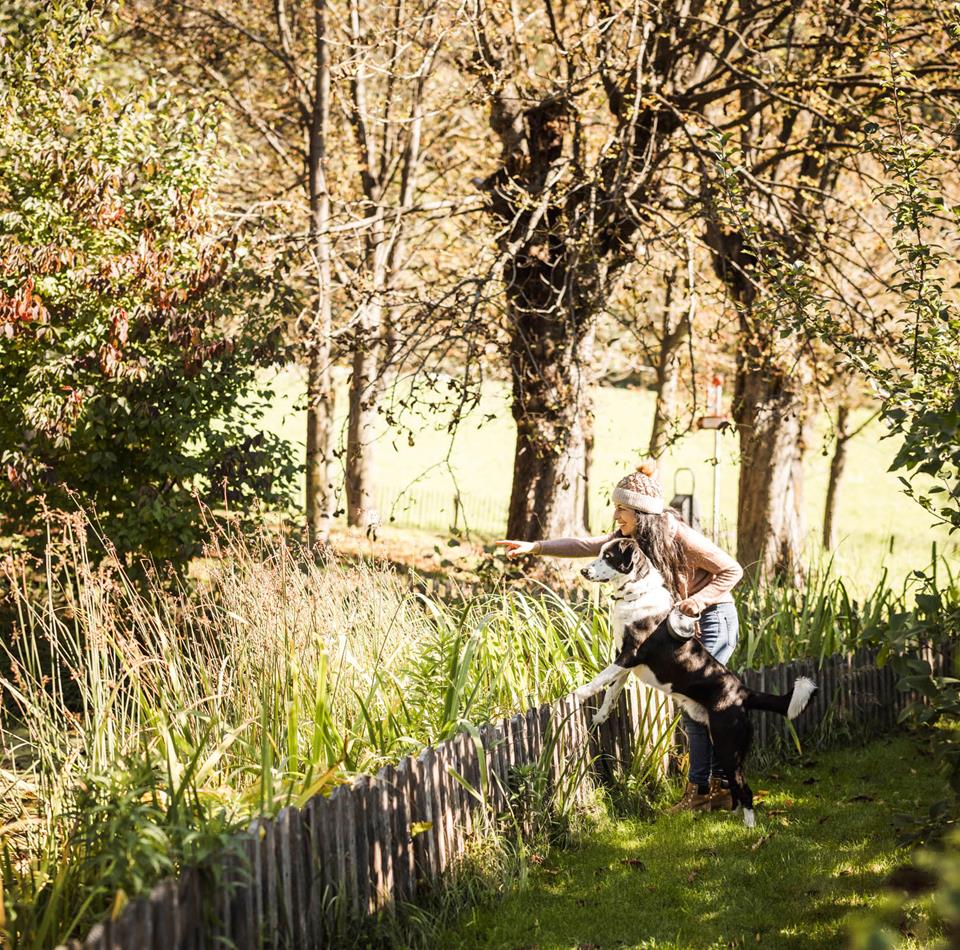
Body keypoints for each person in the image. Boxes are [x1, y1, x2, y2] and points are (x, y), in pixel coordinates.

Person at [497, 462, 744, 813]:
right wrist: (535, 546)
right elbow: (586, 544)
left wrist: (698, 601)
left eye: (621, 509)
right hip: (685, 623)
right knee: (697, 706)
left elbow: (731, 569)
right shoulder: (634, 539)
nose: (615, 516)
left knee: (697, 704)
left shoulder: (679, 536)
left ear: (641, 513)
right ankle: (712, 789)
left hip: (714, 618)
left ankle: (706, 791)